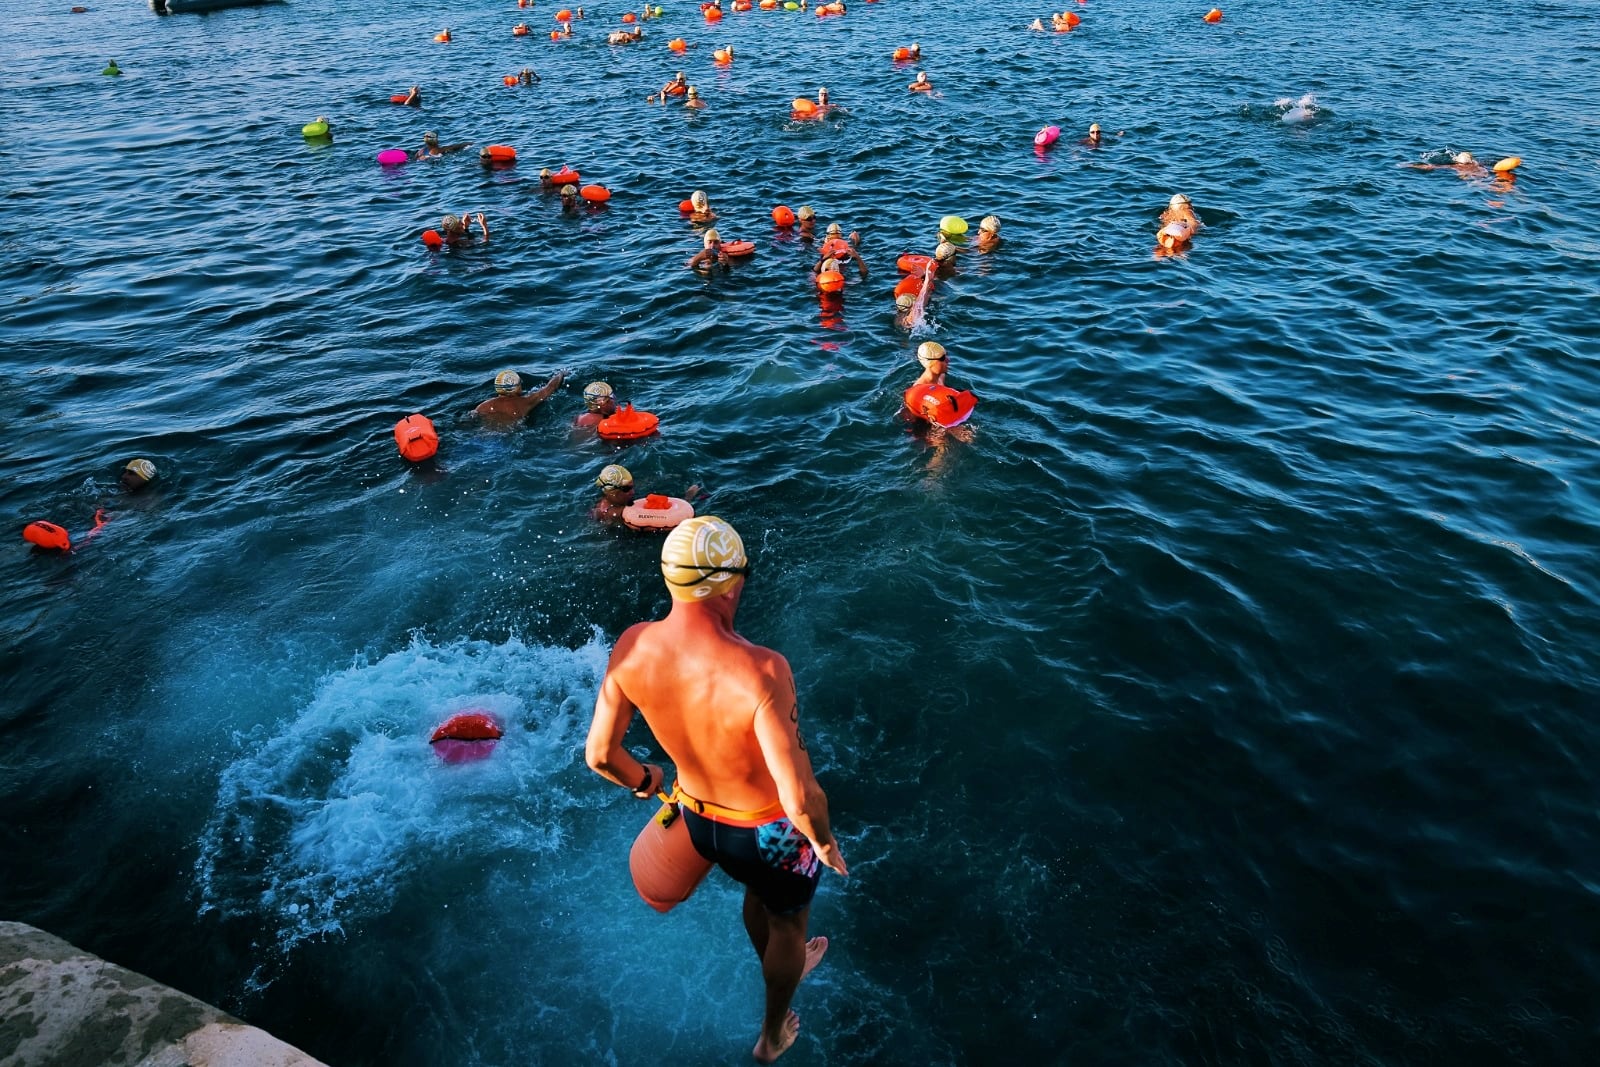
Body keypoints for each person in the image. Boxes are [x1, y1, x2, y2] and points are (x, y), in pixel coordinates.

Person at [585, 516, 847, 1064]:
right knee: (788, 917)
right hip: (770, 834)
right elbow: (800, 796)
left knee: (761, 896)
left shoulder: (633, 645)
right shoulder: (761, 670)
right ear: (730, 583)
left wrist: (647, 781)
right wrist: (822, 843)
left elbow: (601, 756)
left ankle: (782, 957)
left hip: (701, 824)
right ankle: (771, 1035)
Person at [474, 369, 566, 421]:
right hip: (505, 438)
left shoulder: (482, 406)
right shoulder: (524, 402)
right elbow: (550, 387)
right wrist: (561, 374)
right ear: (517, 387)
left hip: (480, 437)